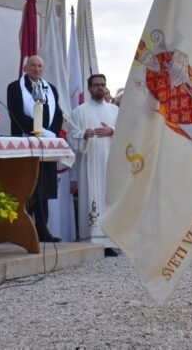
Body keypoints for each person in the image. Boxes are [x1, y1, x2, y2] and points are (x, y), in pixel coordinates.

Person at [7, 55, 63, 242]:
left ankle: (42, 228)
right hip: (26, 143)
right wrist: (40, 132)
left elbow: (58, 115)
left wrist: (50, 134)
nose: (37, 69)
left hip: (47, 145)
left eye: (40, 65)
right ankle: (21, 228)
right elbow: (16, 115)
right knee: (27, 188)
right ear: (25, 68)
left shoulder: (51, 89)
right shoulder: (15, 88)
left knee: (43, 189)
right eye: (33, 65)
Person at [68, 74, 120, 252]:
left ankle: (111, 243)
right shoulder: (79, 112)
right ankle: (91, 243)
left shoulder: (114, 111)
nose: (100, 88)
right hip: (88, 165)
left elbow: (127, 131)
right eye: (96, 85)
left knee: (109, 200)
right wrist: (84, 135)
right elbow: (71, 136)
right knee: (91, 199)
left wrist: (112, 130)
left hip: (109, 166)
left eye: (103, 85)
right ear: (89, 88)